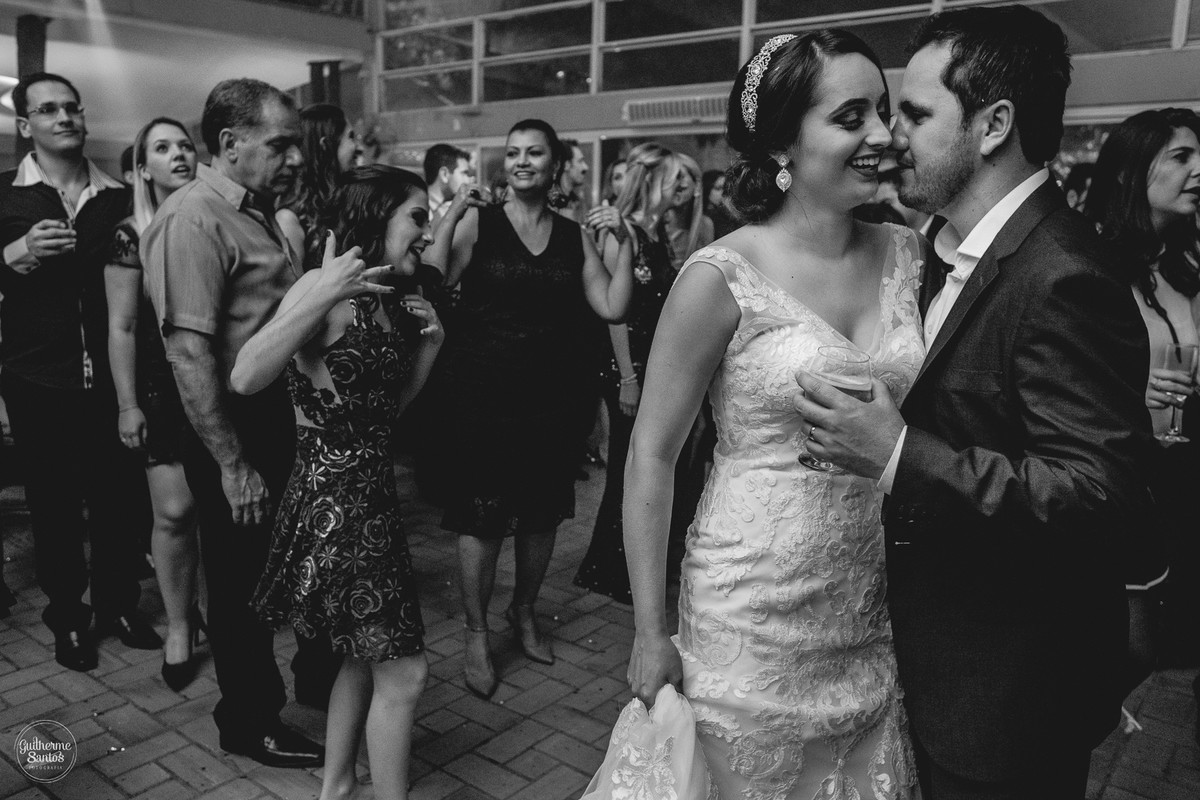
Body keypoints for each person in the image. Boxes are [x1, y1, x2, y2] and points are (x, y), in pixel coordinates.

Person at [792, 7, 1156, 798]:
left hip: (1003, 702)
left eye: (917, 115)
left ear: (993, 126)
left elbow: (1101, 498)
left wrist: (895, 453)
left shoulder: (1064, 275)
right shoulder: (932, 249)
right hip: (915, 666)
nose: (892, 136)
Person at [624, 30, 923, 797]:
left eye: (883, 112)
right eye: (852, 116)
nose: (883, 135)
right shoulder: (720, 276)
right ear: (785, 140)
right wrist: (650, 631)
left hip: (868, 597)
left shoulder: (910, 254)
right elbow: (652, 452)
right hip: (748, 605)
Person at [234, 166, 442, 800]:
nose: (427, 233)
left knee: (360, 653)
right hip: (334, 504)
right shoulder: (320, 286)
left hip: (370, 498)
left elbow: (386, 417)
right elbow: (245, 376)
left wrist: (431, 344)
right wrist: (322, 293)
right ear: (378, 218)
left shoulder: (382, 298)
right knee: (404, 673)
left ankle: (336, 786)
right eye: (417, 216)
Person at [141, 77, 324, 768]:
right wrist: (233, 464)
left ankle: (295, 686)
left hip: (272, 416)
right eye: (281, 145)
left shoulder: (257, 209)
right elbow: (189, 353)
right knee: (244, 584)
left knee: (273, 573)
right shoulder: (193, 218)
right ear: (228, 144)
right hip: (232, 425)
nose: (295, 159)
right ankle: (248, 721)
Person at [421, 118, 632, 700]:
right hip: (483, 395)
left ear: (553, 162)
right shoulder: (479, 224)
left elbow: (612, 306)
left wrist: (627, 240)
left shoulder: (573, 236)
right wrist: (450, 215)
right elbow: (433, 279)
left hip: (552, 397)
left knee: (541, 516)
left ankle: (525, 613)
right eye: (512, 153)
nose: (520, 161)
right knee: (482, 519)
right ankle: (475, 632)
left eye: (533, 153)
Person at [0, 72, 159, 672]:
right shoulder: (4, 196)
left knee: (120, 498)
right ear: (26, 127)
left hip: (116, 379)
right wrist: (11, 258)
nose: (64, 117)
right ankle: (67, 615)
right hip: (35, 376)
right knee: (54, 503)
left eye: (72, 108)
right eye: (48, 110)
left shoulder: (120, 198)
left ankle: (119, 604)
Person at [1085, 107, 1200, 696]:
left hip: (1177, 473)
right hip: (1118, 479)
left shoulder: (1183, 269)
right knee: (1131, 645)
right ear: (1136, 169)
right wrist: (1131, 387)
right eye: (1182, 157)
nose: (1199, 170)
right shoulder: (1090, 264)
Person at [105, 117, 203, 691]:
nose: (178, 154)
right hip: (158, 389)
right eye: (162, 148)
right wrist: (126, 404)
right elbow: (120, 327)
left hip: (214, 382)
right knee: (173, 513)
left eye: (185, 145)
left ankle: (213, 611)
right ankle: (179, 625)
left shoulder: (211, 221)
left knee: (218, 511)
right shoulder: (129, 233)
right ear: (143, 168)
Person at [574, 142, 681, 604]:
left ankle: (624, 566)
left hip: (646, 365)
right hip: (627, 366)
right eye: (677, 180)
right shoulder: (627, 232)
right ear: (656, 182)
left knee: (638, 464)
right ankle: (610, 569)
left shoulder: (653, 232)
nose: (684, 189)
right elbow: (616, 314)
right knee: (626, 465)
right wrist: (629, 378)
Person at [277, 103, 363, 268]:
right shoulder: (289, 220)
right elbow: (295, 292)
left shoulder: (346, 203)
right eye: (351, 137)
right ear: (326, 146)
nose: (357, 147)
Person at [662, 152, 712, 270]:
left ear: (697, 185)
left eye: (680, 176)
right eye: (669, 176)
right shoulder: (655, 227)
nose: (674, 182)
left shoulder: (705, 225)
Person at [423, 143, 473, 224]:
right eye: (464, 173)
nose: (468, 180)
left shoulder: (453, 207)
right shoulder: (421, 208)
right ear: (444, 174)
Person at [559, 138, 590, 222]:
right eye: (580, 161)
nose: (586, 167)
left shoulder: (577, 203)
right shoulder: (546, 205)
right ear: (566, 165)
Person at [701, 168, 737, 240]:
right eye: (718, 188)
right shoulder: (704, 219)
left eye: (726, 188)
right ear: (707, 189)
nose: (724, 193)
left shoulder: (726, 213)